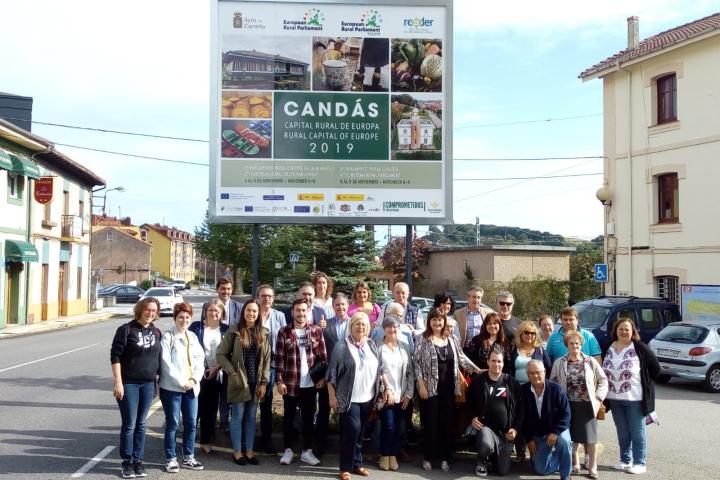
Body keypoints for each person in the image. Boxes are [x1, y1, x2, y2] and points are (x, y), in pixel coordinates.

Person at [414, 308, 480, 472]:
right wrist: (421, 384)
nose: (437, 322)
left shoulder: (451, 338)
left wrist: (477, 370)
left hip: (449, 390)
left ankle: (444, 458)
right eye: (434, 319)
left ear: (444, 322)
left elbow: (461, 358)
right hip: (429, 390)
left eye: (440, 320)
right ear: (429, 321)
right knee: (430, 424)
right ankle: (428, 457)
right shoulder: (423, 339)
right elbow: (416, 363)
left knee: (446, 423)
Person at [327, 312, 389, 480]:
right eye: (357, 324)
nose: (360, 327)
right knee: (351, 431)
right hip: (348, 398)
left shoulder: (372, 345)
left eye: (364, 325)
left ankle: (357, 464)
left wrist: (388, 388)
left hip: (368, 397)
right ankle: (345, 468)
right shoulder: (342, 346)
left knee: (360, 432)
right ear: (351, 326)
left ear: (368, 328)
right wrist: (332, 397)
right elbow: (331, 375)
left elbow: (381, 369)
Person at [110, 297, 163, 479]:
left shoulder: (156, 332)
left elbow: (159, 360)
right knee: (130, 424)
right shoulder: (126, 330)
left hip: (148, 384)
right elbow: (115, 357)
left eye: (154, 310)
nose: (151, 313)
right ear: (140, 309)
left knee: (142, 424)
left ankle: (138, 460)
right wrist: (118, 382)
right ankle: (126, 462)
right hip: (129, 384)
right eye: (148, 309)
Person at [216, 299, 271, 466]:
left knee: (250, 418)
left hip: (255, 383)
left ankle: (249, 451)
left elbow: (267, 359)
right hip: (239, 382)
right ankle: (237, 452)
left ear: (258, 314)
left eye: (254, 311)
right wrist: (231, 371)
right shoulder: (234, 331)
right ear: (243, 312)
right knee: (238, 416)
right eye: (248, 310)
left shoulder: (264, 332)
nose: (251, 314)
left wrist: (263, 383)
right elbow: (220, 354)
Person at [602, 318, 660, 475]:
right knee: (622, 430)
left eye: (627, 329)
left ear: (633, 331)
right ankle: (625, 460)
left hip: (635, 398)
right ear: (616, 330)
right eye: (621, 329)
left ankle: (640, 462)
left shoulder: (639, 347)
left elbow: (656, 368)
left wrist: (646, 384)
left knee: (637, 430)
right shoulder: (610, 346)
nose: (623, 331)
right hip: (614, 397)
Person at [275, 298, 328, 466]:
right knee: (289, 419)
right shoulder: (284, 332)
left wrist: (321, 378)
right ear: (292, 312)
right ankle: (288, 450)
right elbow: (280, 359)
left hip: (310, 384)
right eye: (297, 310)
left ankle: (307, 451)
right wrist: (279, 381)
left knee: (308, 419)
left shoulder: (316, 331)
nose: (301, 313)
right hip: (290, 383)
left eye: (304, 310)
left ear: (308, 311)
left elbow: (323, 357)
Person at [550, 330, 608, 479]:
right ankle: (575, 464)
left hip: (588, 404)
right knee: (572, 437)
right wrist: (556, 400)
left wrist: (598, 397)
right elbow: (552, 382)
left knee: (591, 438)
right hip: (568, 404)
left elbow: (603, 380)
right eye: (571, 343)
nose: (574, 345)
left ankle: (592, 466)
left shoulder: (590, 361)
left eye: (577, 343)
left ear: (581, 344)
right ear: (566, 345)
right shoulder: (559, 362)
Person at [159, 302, 205, 473]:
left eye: (187, 317)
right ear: (175, 318)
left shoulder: (192, 337)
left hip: (192, 388)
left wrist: (194, 379)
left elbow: (200, 361)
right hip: (172, 388)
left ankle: (188, 457)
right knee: (173, 423)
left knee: (191, 423)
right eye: (181, 317)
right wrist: (181, 382)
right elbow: (166, 363)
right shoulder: (168, 337)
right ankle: (171, 458)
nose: (184, 320)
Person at [468, 347, 524, 477]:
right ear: (487, 362)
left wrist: (515, 429)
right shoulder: (478, 381)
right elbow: (468, 403)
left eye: (499, 361)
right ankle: (481, 461)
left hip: (505, 434)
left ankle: (493, 458)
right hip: (485, 428)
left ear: (503, 363)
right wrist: (472, 418)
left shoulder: (511, 382)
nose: (496, 364)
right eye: (493, 361)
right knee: (486, 443)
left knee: (502, 471)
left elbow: (521, 408)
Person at [201, 277, 242, 431]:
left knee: (227, 393)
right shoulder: (208, 306)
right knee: (209, 395)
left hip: (232, 357)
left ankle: (224, 422)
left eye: (228, 289)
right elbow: (203, 330)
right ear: (217, 289)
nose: (225, 291)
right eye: (222, 288)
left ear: (232, 290)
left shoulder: (239, 307)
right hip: (211, 359)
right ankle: (208, 424)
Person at [188, 299, 229, 454]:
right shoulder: (195, 328)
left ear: (222, 313)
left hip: (217, 374)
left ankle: (205, 441)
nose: (213, 313)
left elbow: (229, 353)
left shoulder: (226, 329)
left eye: (217, 311)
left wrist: (216, 367)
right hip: (197, 374)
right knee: (194, 409)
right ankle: (189, 440)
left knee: (211, 410)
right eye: (210, 310)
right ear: (205, 312)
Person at [521, 360, 573, 480]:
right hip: (538, 434)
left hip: (557, 429)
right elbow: (522, 419)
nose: (536, 376)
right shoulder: (523, 391)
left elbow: (566, 414)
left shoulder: (556, 389)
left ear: (544, 372)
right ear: (527, 374)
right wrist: (529, 439)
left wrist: (555, 432)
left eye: (538, 372)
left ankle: (566, 474)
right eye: (532, 373)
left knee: (564, 442)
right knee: (541, 469)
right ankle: (563, 459)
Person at [508, 320, 551, 463]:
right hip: (517, 391)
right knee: (519, 419)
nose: (530, 335)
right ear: (521, 333)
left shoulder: (540, 351)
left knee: (533, 419)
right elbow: (509, 370)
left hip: (535, 391)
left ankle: (535, 452)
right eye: (526, 332)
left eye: (533, 333)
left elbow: (548, 370)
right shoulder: (514, 349)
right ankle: (520, 452)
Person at [375, 315, 414, 471]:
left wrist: (409, 394)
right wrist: (386, 389)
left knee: (398, 426)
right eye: (389, 326)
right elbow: (376, 371)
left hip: (402, 394)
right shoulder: (377, 346)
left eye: (396, 327)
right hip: (385, 394)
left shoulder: (404, 346)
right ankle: (385, 454)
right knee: (388, 425)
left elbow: (410, 372)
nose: (393, 329)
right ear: (384, 329)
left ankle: (393, 455)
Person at [256, 284, 288, 454]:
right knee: (254, 401)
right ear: (258, 297)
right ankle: (249, 438)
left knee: (267, 401)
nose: (266, 299)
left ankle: (266, 439)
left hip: (273, 363)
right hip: (254, 363)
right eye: (263, 296)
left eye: (269, 296)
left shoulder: (280, 316)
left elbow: (283, 342)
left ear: (273, 298)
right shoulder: (253, 313)